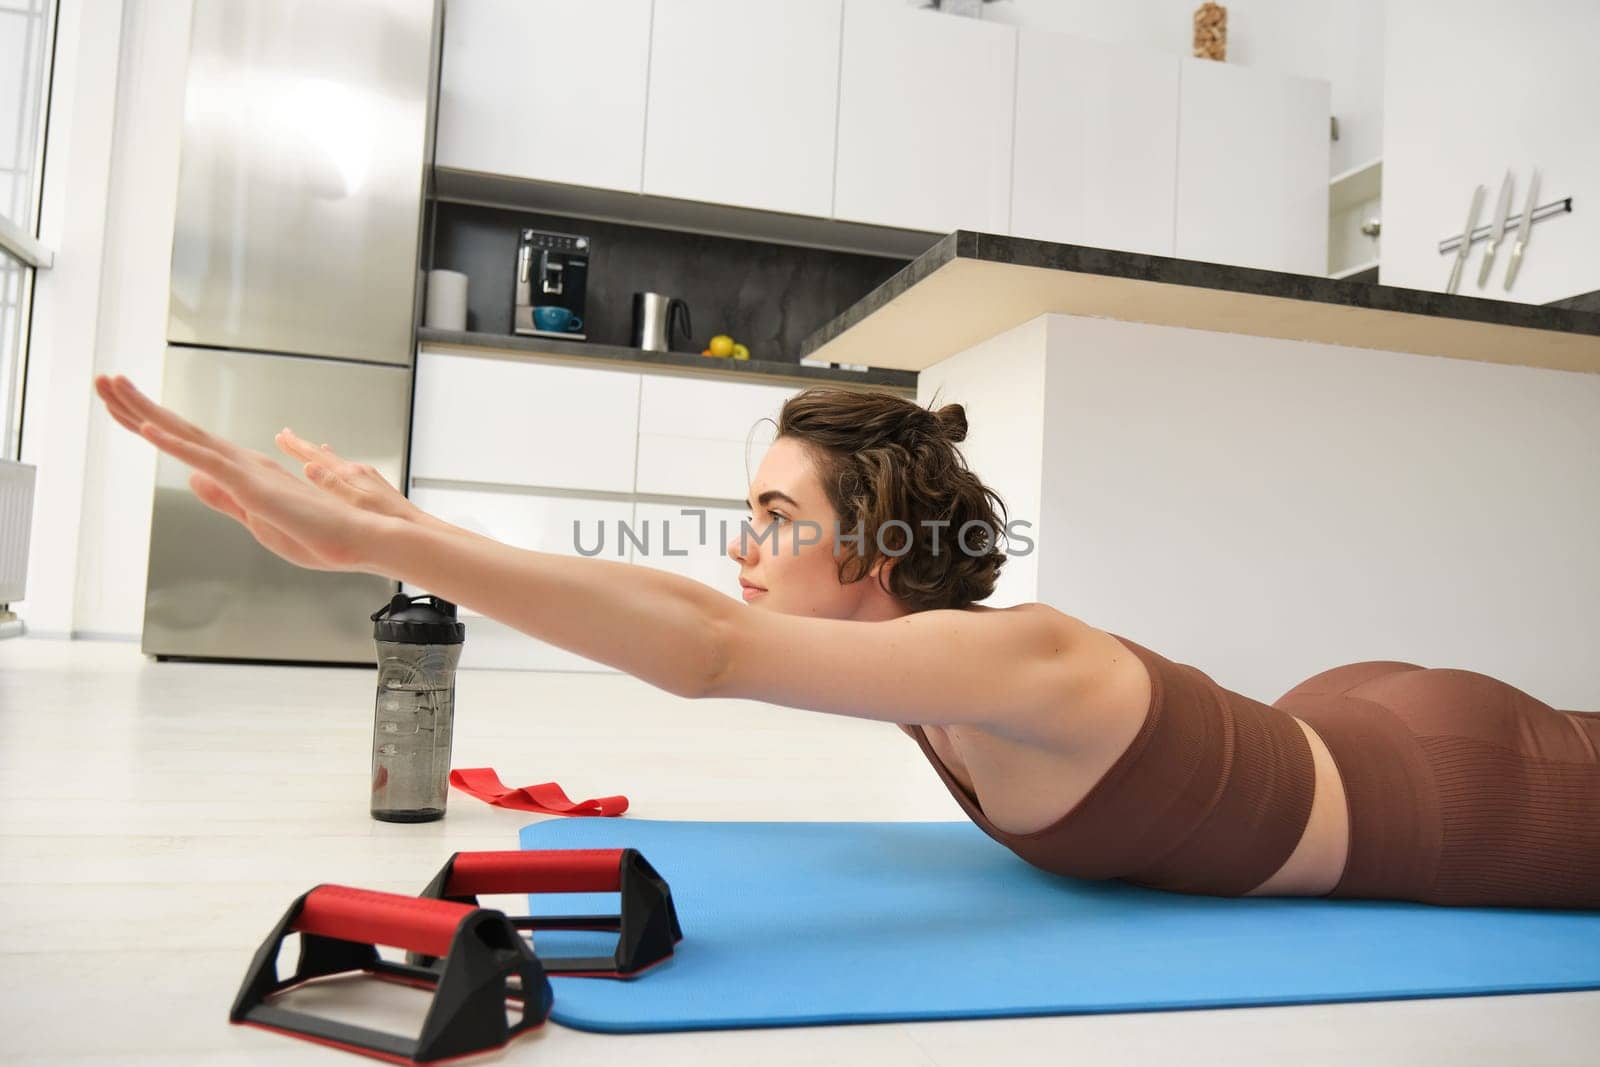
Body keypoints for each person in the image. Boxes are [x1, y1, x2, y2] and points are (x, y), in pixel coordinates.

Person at [93, 374, 1600, 909]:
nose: (738, 552)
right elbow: (701, 632)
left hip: (1461, 797)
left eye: (769, 516)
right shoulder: (932, 671)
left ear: (872, 555)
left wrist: (403, 543)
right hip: (1343, 720)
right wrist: (409, 523)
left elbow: (702, 649)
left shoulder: (1019, 665)